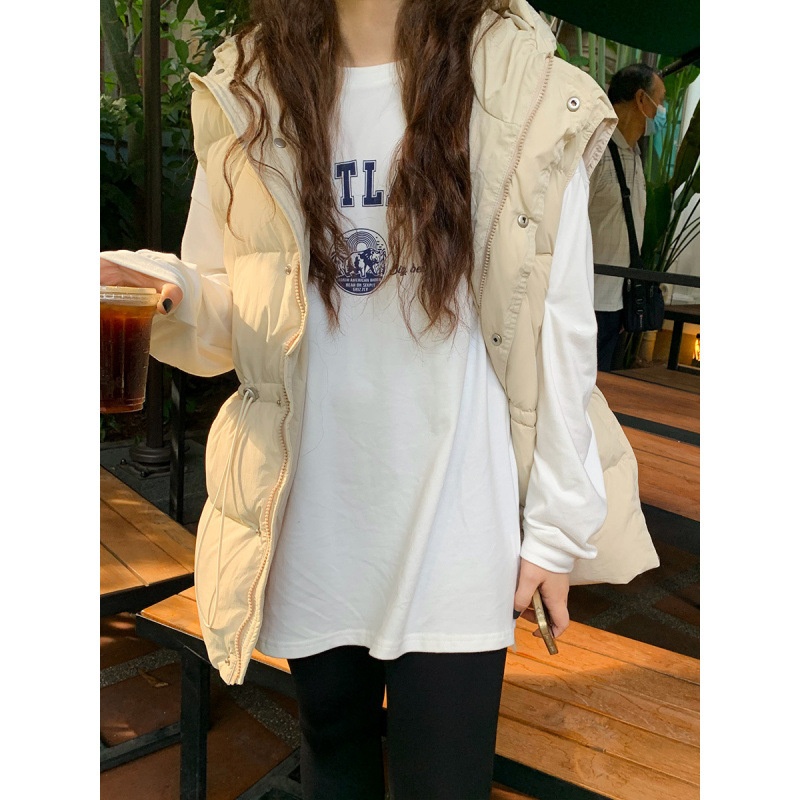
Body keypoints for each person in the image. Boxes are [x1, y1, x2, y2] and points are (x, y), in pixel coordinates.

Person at [100, 2, 651, 797]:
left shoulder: (518, 83)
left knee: (446, 780)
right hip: (315, 512)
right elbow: (236, 309)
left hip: (460, 520)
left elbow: (557, 330)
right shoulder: (250, 87)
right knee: (332, 759)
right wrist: (166, 288)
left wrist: (557, 528)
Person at [589, 63, 667, 371]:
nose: (661, 111)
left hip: (617, 304)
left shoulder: (635, 156)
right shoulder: (595, 152)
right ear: (641, 99)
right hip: (586, 301)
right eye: (660, 101)